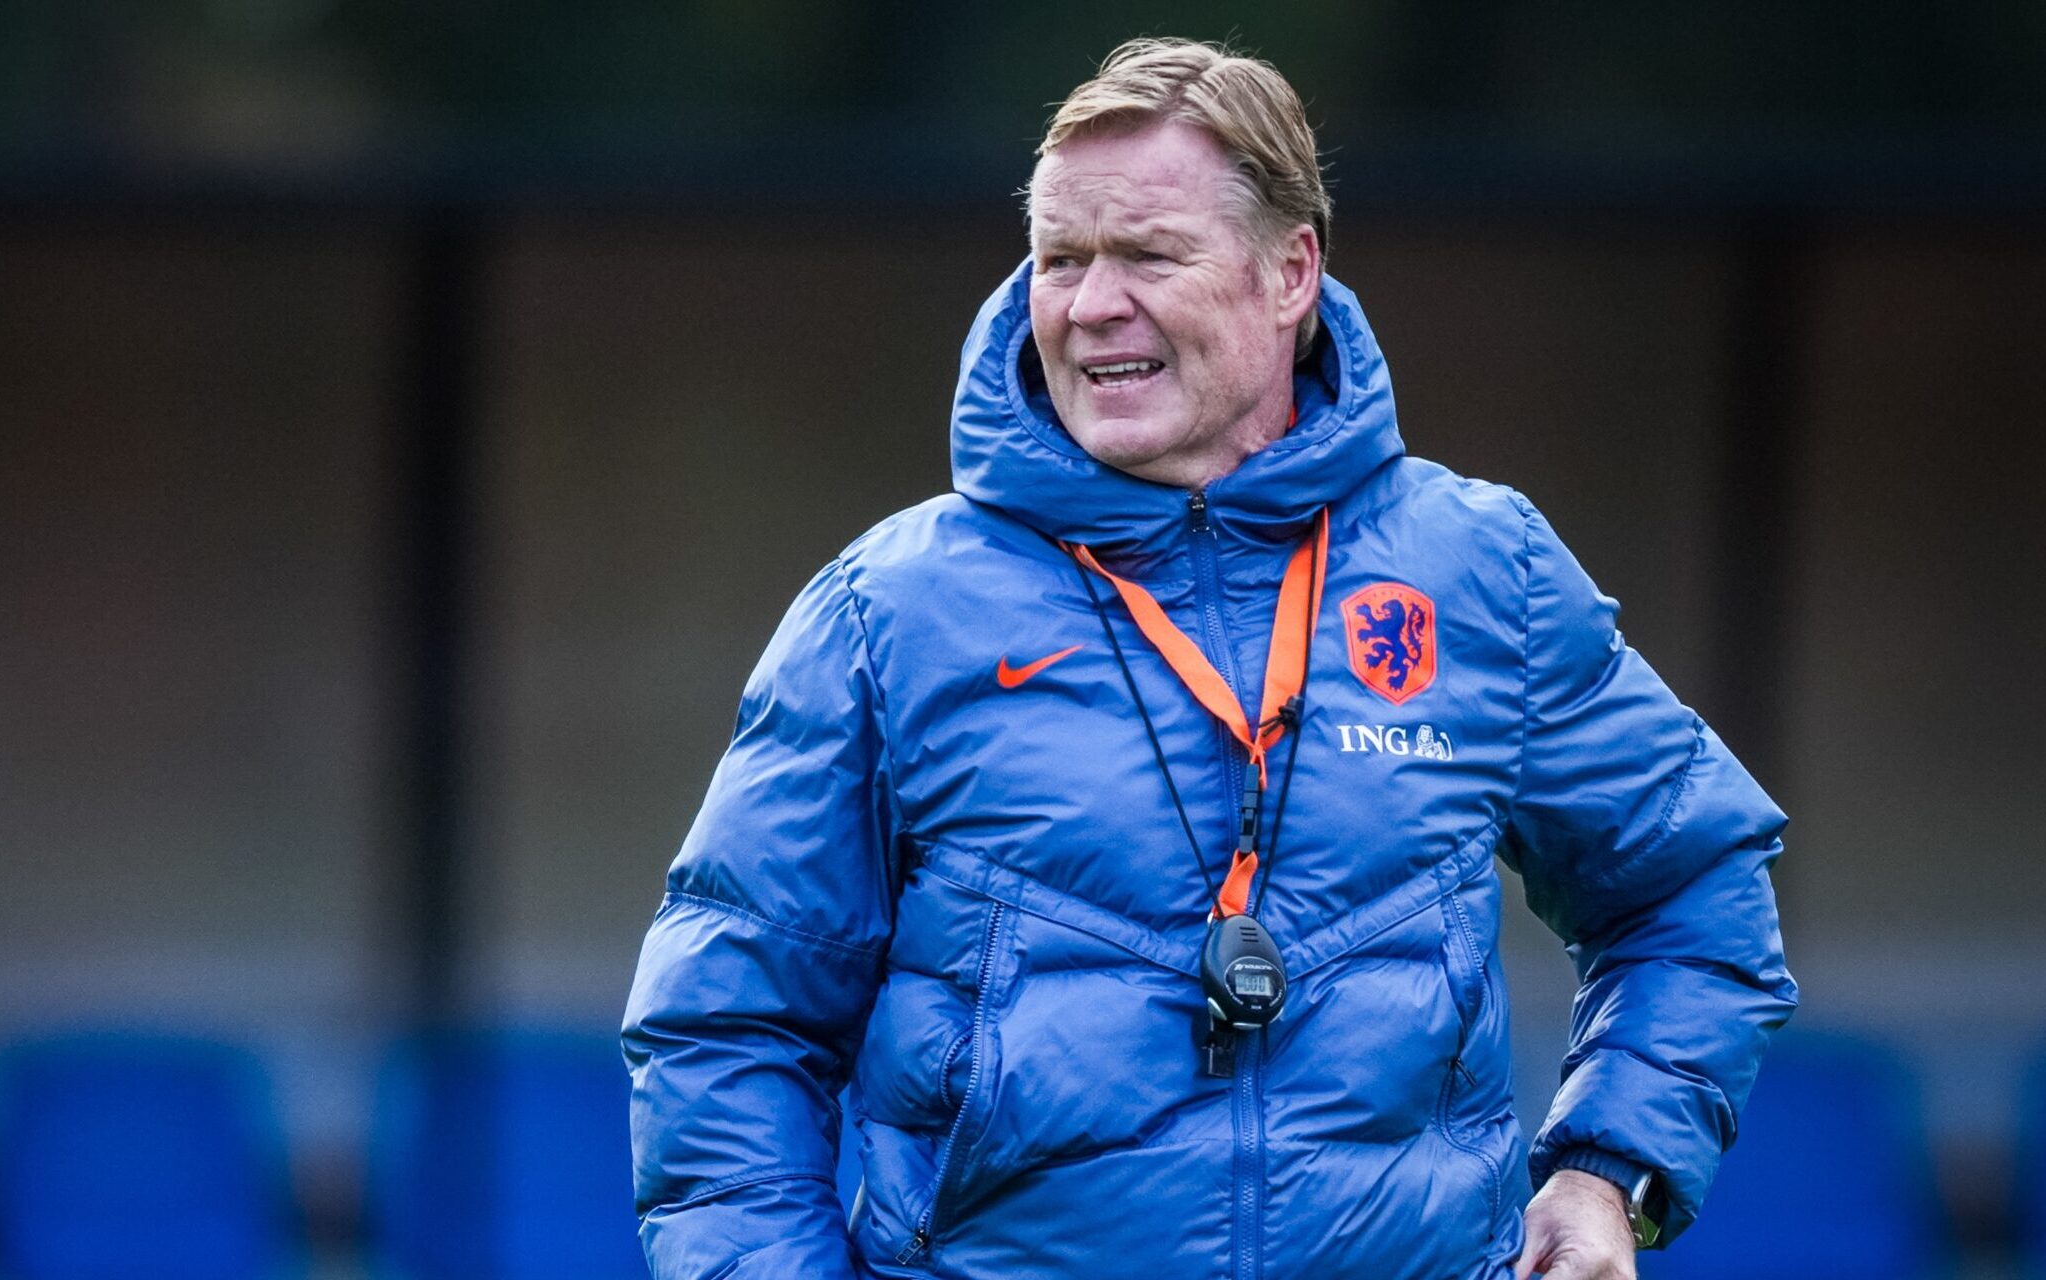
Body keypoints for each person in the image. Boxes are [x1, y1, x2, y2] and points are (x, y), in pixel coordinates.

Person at [623, 37, 1794, 1280]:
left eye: (1148, 255)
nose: (1089, 305)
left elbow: (1693, 883)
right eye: (1060, 259)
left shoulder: (1479, 569)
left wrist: (1608, 1169)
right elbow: (727, 1027)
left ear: (1290, 271)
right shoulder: (890, 610)